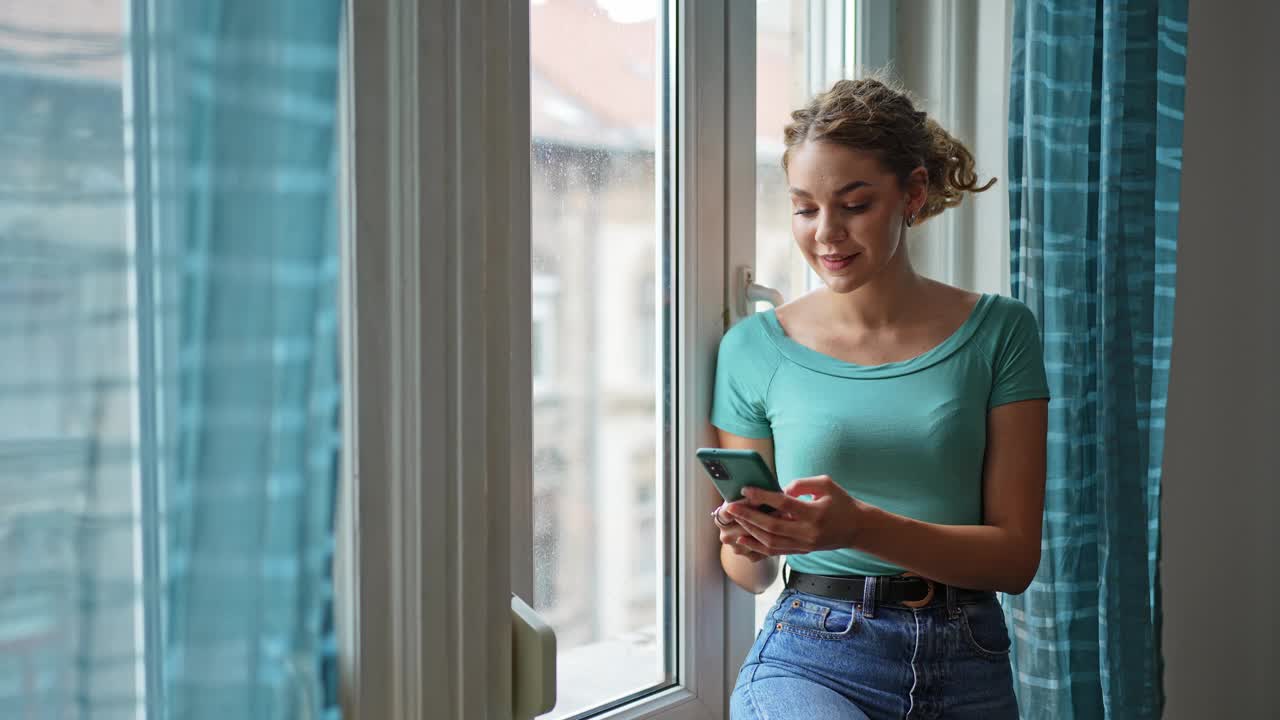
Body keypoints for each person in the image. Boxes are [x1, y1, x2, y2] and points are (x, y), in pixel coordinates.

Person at [710, 76, 1050, 720]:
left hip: (970, 654)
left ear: (913, 194)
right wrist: (750, 539)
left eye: (854, 205)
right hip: (813, 653)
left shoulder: (1002, 331)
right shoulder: (752, 349)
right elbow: (749, 574)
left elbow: (1013, 560)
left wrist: (861, 525)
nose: (826, 234)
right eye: (805, 208)